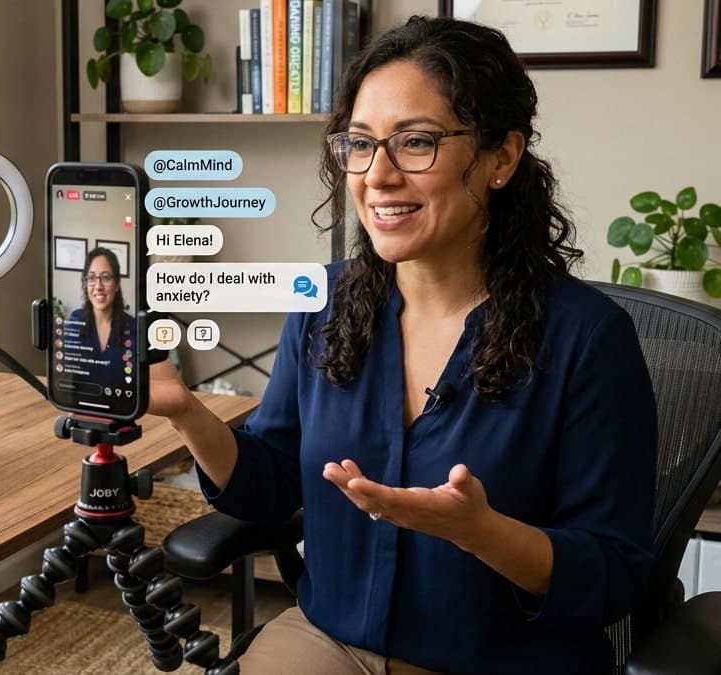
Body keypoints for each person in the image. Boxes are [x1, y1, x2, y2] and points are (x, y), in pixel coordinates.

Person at [146, 15, 656, 675]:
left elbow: (614, 575)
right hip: (328, 640)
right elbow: (268, 488)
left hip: (500, 660)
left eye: (415, 142)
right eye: (359, 144)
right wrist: (188, 411)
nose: (376, 175)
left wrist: (482, 533)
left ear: (501, 156)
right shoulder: (323, 304)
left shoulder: (587, 338)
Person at [64, 247, 136, 393]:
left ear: (116, 284)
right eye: (91, 278)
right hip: (82, 410)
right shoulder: (75, 322)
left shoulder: (133, 327)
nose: (98, 286)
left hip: (121, 412)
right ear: (85, 283)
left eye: (106, 277)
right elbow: (66, 374)